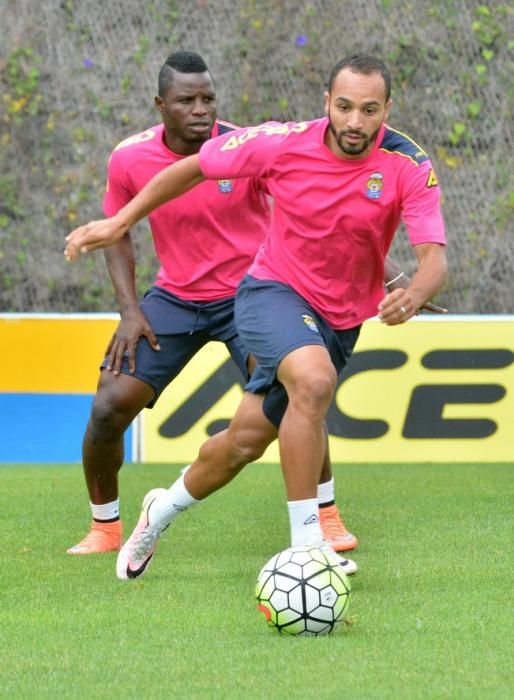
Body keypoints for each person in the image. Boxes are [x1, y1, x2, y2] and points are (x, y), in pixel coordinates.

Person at [65, 54, 448, 582]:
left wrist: (410, 291)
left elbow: (433, 259)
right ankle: (309, 547)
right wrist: (120, 221)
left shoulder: (408, 163)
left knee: (245, 440)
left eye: (368, 109)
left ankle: (163, 507)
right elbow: (194, 167)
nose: (355, 122)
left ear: (387, 108)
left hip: (338, 316)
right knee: (313, 383)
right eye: (343, 107)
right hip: (270, 291)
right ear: (325, 103)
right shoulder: (278, 141)